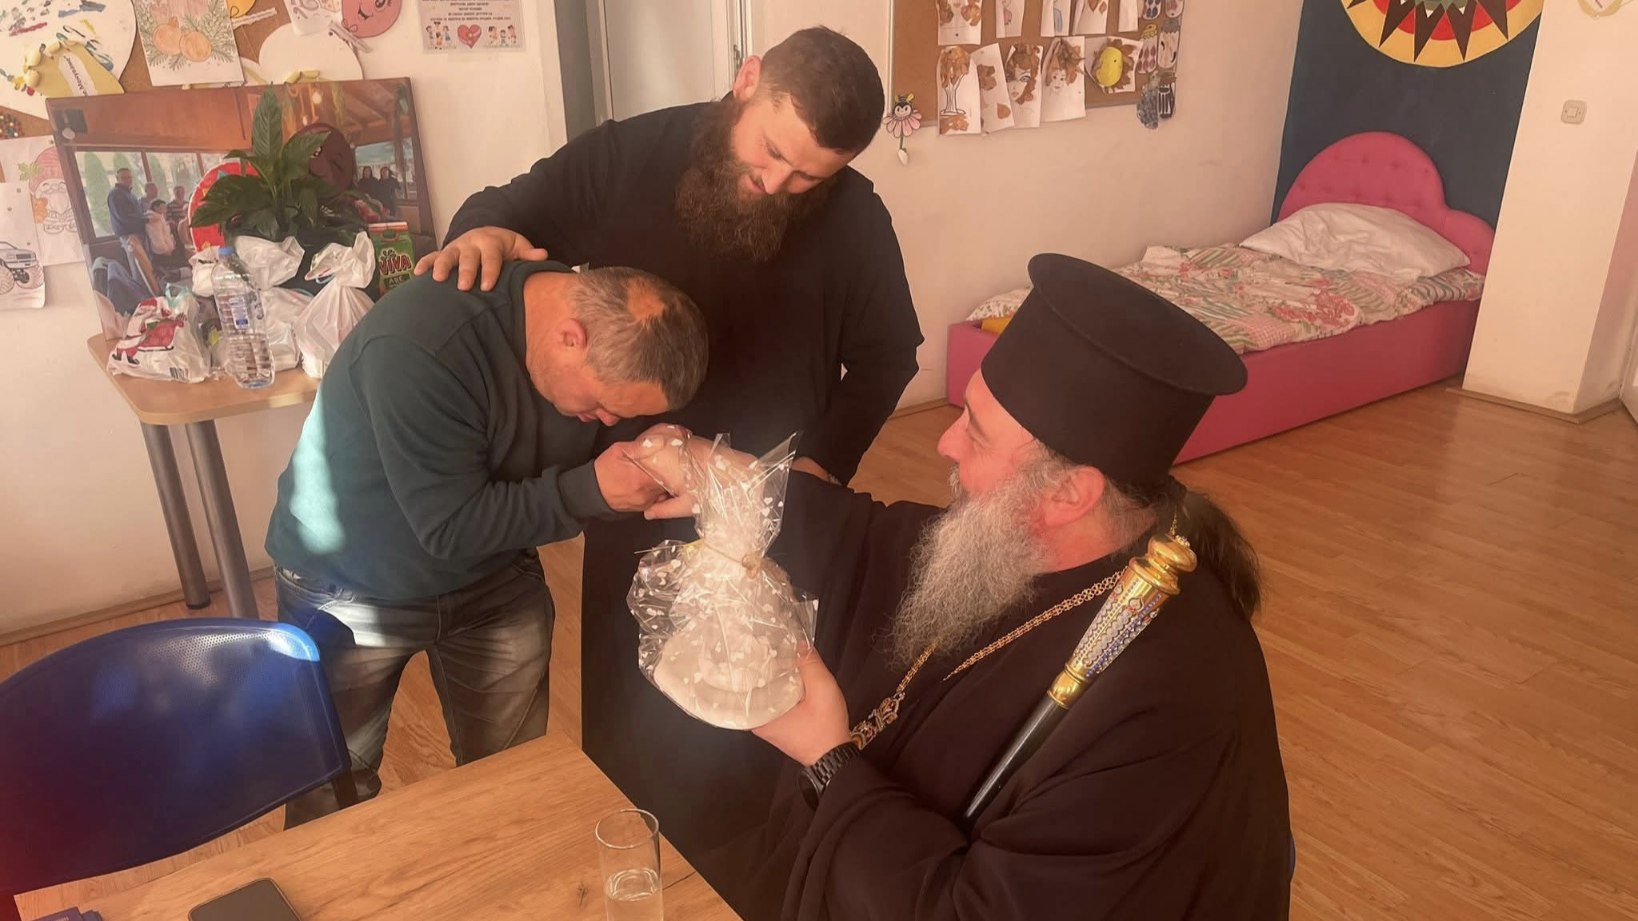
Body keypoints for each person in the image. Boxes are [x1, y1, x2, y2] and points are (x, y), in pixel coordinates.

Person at [637, 255, 1292, 920]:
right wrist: (730, 482)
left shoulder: (1170, 707)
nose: (945, 442)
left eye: (974, 431)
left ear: (1068, 494)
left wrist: (828, 760)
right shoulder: (1029, 543)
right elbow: (869, 538)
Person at [418, 25, 923, 878]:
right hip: (636, 499)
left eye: (809, 176)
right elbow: (505, 210)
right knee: (639, 734)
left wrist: (813, 472)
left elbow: (887, 356)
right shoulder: (630, 155)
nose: (777, 185)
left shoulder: (855, 214)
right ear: (748, 78)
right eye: (771, 152)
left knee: (760, 730)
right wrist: (481, 232)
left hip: (768, 513)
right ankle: (645, 870)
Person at [264, 259, 710, 825]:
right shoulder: (421, 345)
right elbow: (449, 527)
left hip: (492, 570)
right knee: (329, 794)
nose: (604, 421)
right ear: (570, 337)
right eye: (602, 406)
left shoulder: (579, 329)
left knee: (509, 782)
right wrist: (592, 489)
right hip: (350, 580)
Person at [107, 168, 156, 293]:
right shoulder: (115, 194)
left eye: (129, 177)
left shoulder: (130, 194)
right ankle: (143, 294)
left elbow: (138, 213)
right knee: (138, 266)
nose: (127, 180)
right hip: (129, 234)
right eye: (124, 178)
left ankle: (150, 291)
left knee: (145, 264)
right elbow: (123, 217)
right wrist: (146, 219)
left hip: (138, 232)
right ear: (117, 179)